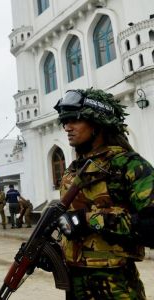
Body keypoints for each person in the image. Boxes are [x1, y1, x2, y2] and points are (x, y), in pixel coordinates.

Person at [53, 88, 154, 299]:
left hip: (115, 288)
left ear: (98, 124)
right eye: (65, 122)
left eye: (74, 120)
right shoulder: (74, 170)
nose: (67, 128)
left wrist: (89, 220)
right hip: (74, 285)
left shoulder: (127, 165)